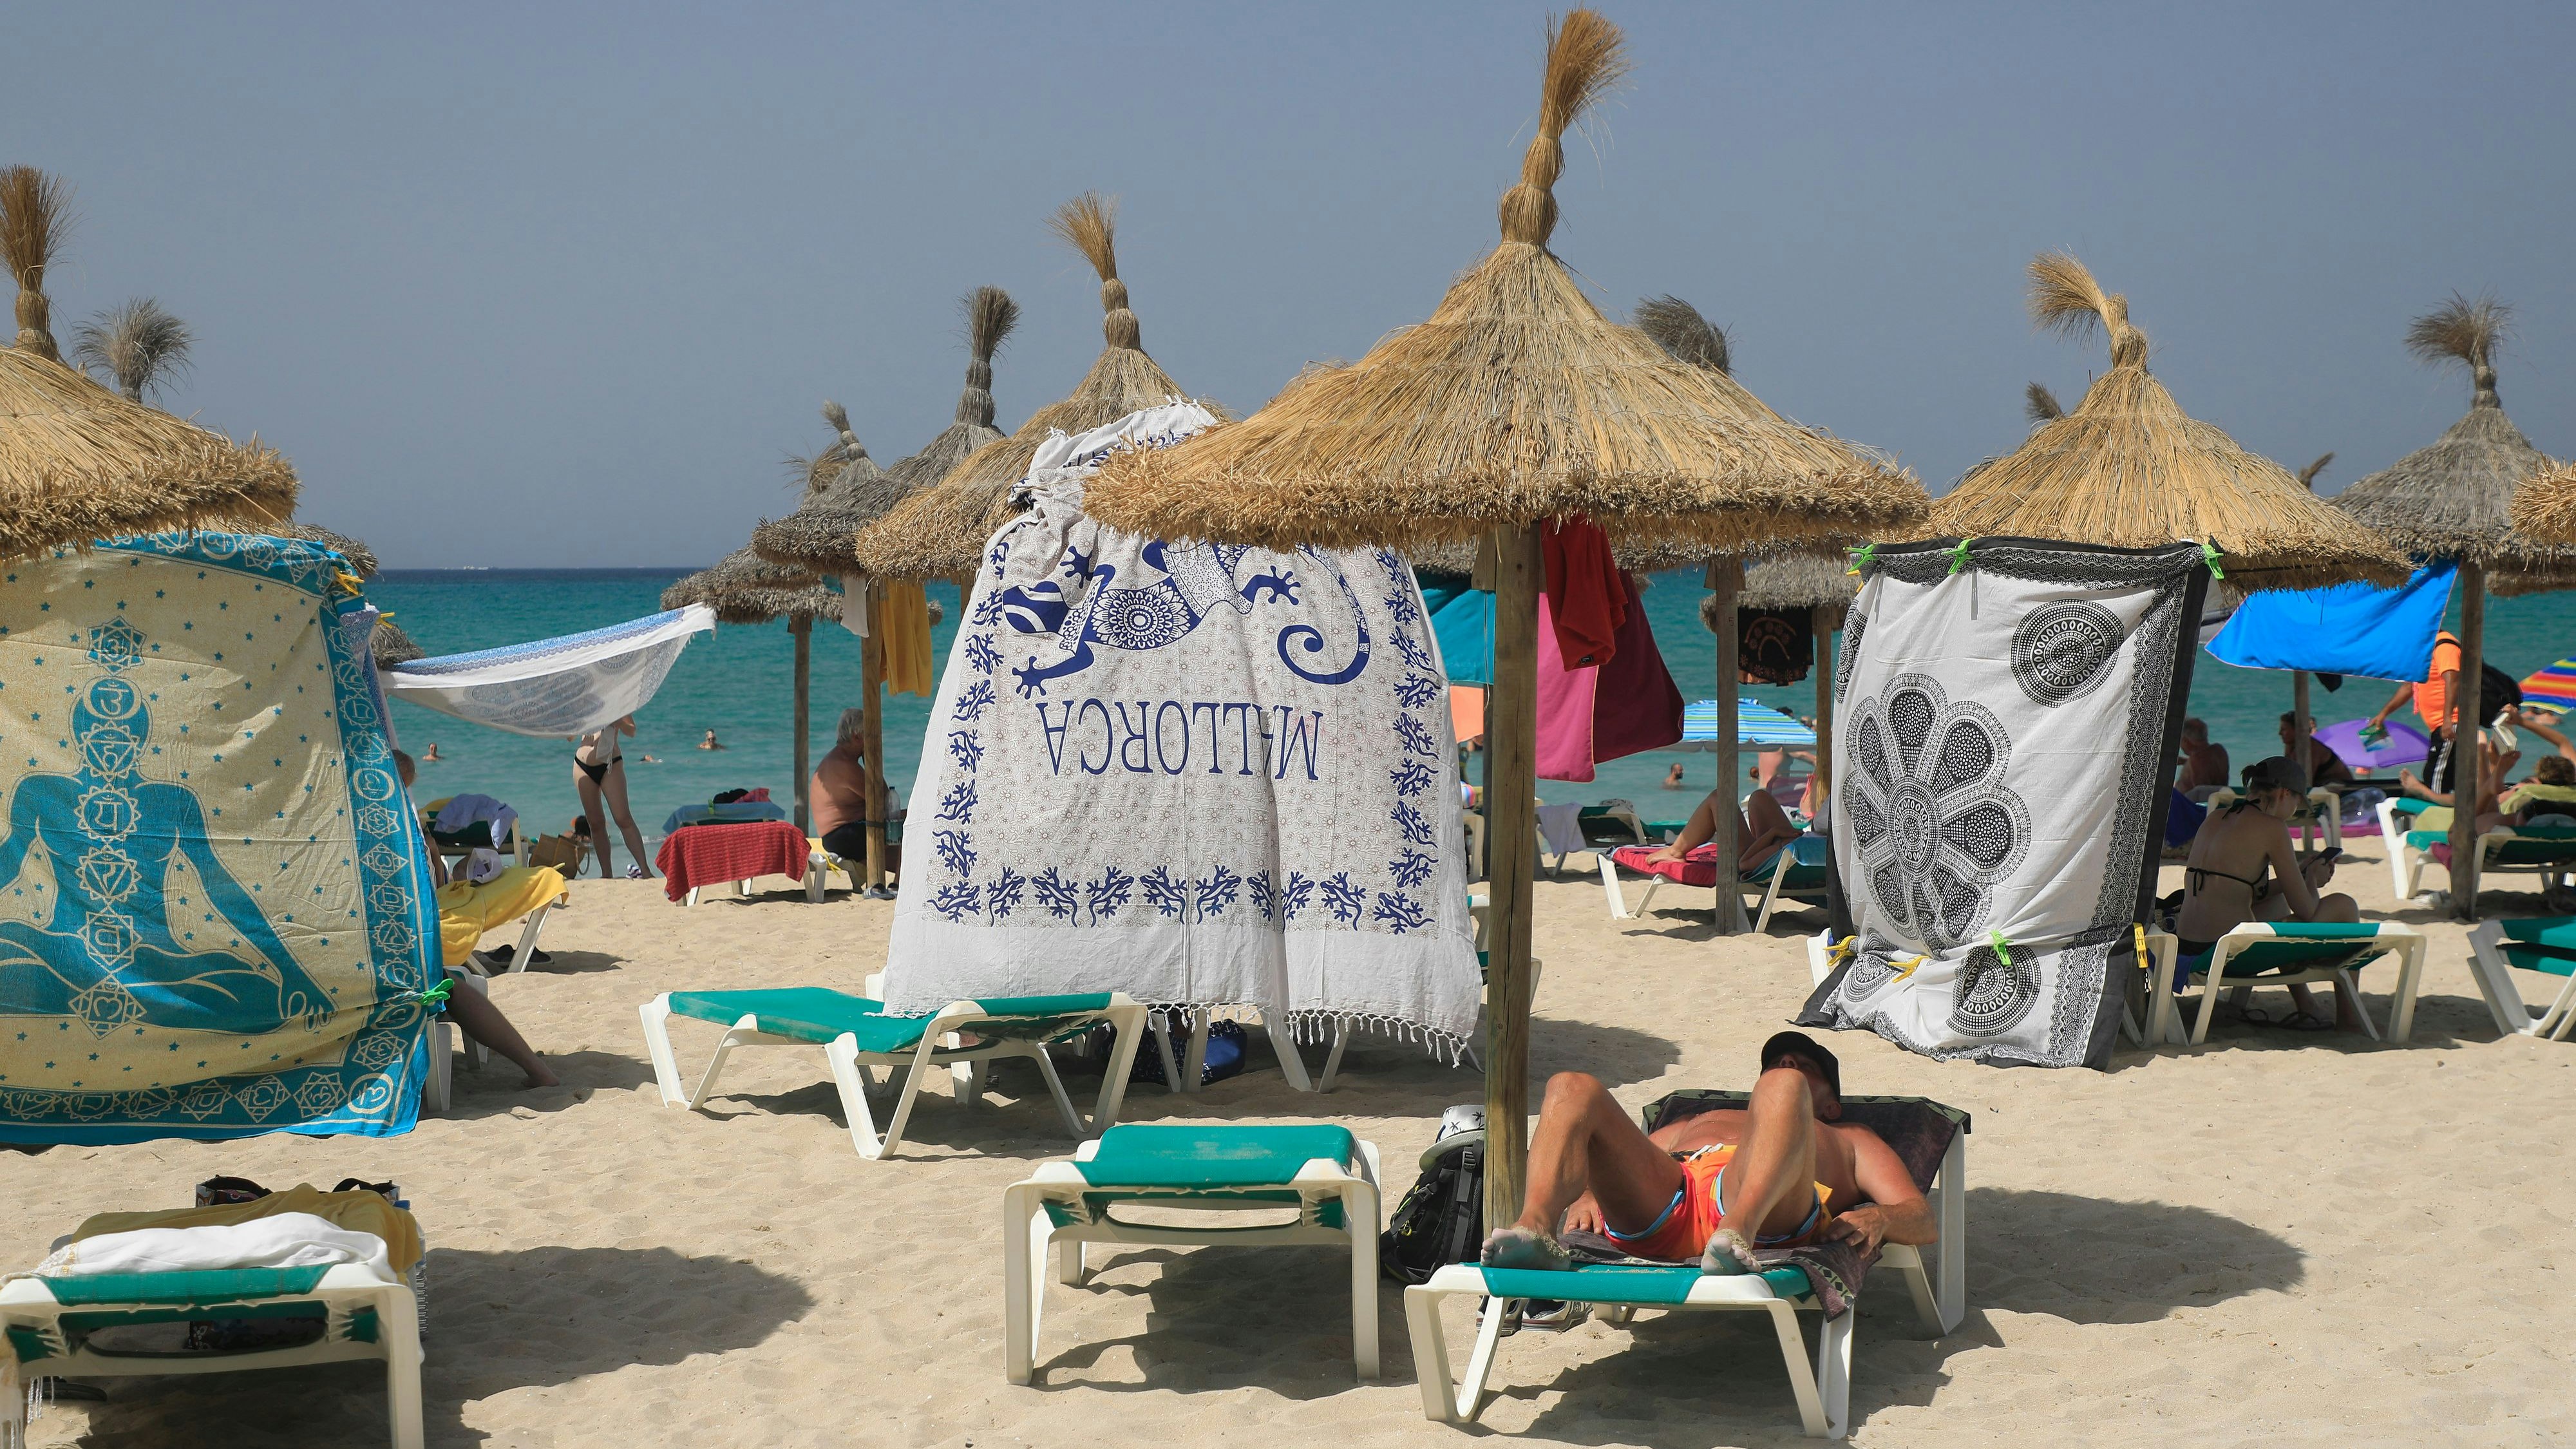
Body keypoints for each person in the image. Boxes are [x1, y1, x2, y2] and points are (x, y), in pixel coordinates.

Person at [1480, 1033, 1935, 1274]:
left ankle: (1736, 1231)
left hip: (1764, 1210)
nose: (1789, 1065)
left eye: (1807, 1067)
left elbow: (1921, 1217)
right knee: (1570, 1086)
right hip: (1673, 1198)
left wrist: (1883, 1218)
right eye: (1778, 1063)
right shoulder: (1702, 1119)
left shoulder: (1851, 1136)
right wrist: (1585, 1199)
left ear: (1832, 1104)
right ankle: (1535, 1226)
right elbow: (1611, 1156)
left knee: (1784, 1089)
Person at [393, 750, 556, 1087]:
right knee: (451, 986)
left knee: (452, 984)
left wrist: (436, 857)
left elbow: (434, 886)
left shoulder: (396, 828)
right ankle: (537, 1071)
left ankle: (538, 1071)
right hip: (405, 956)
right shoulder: (399, 833)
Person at [2174, 755, 2362, 1031]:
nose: (2294, 810)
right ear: (2285, 793)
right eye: (2297, 803)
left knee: (2277, 904)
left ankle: (2306, 1003)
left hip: (2189, 944)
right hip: (2229, 953)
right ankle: (2349, 1018)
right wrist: (2311, 879)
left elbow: (2240, 888)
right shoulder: (2272, 827)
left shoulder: (2217, 817)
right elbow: (2308, 912)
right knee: (2345, 906)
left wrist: (2297, 873)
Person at [1639, 781, 1800, 873]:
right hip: (1786, 846)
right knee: (1759, 797)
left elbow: (1744, 863)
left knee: (1719, 798)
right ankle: (1676, 848)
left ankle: (1676, 851)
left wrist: (1773, 834)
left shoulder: (1785, 849)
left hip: (1765, 856)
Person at [572, 717, 654, 880]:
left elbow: (631, 731)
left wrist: (615, 719)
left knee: (623, 818)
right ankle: (606, 874)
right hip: (582, 766)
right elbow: (569, 737)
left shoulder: (615, 697)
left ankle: (645, 871)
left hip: (611, 763)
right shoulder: (583, 702)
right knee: (595, 823)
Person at [2368, 629, 2463, 739]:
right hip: (2439, 726)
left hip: (2451, 724)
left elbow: (2453, 681)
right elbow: (2410, 686)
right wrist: (2383, 714)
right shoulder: (2426, 647)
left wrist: (2448, 719)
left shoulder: (2444, 645)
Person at [811, 707, 872, 862]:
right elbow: (881, 799)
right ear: (857, 736)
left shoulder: (835, 758)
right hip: (844, 836)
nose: (873, 740)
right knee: (901, 828)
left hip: (835, 836)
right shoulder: (845, 766)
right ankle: (897, 884)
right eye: (870, 735)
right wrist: (871, 761)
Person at [2277, 713, 2354, 789]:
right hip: (2321, 788)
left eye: (2284, 730)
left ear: (2296, 730)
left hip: (2342, 790)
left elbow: (2305, 780)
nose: (2280, 733)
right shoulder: (2291, 745)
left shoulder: (2311, 747)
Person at [2175, 718, 2230, 799]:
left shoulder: (2196, 761)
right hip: (2219, 800)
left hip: (2186, 807)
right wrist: (2184, 762)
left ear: (2185, 741)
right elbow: (2208, 766)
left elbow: (2201, 794)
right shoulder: (2219, 750)